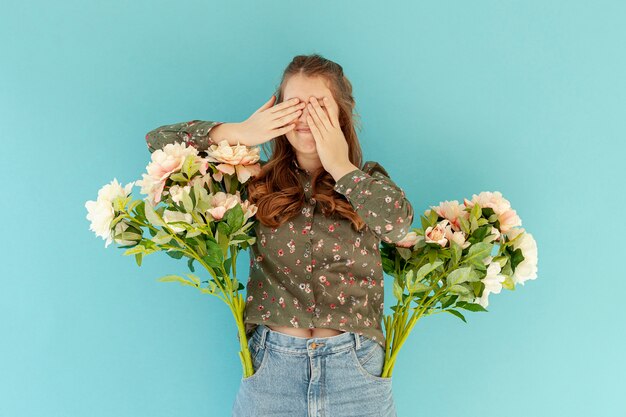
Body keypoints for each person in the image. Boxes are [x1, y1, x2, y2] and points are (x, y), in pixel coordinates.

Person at [145, 53, 413, 417]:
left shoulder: (368, 180)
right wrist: (241, 131)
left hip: (356, 370)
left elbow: (397, 224)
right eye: (293, 106)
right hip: (273, 369)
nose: (304, 118)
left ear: (341, 114)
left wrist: (340, 166)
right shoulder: (252, 181)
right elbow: (158, 143)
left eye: (318, 106)